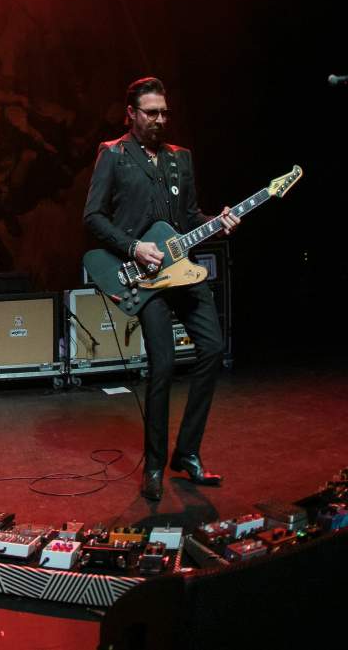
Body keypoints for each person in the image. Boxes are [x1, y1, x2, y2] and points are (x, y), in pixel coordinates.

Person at [83, 77, 240, 502]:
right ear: (131, 114)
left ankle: (186, 452)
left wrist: (217, 221)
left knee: (212, 348)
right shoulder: (112, 155)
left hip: (183, 271)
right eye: (150, 113)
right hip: (144, 276)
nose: (159, 120)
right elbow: (93, 217)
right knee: (163, 366)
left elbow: (188, 218)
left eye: (164, 112)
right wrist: (134, 248)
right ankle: (154, 464)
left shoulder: (180, 158)